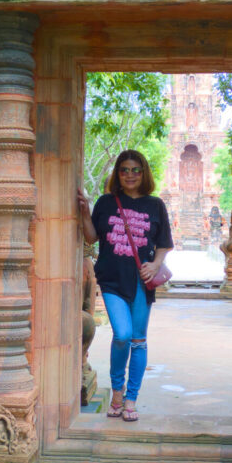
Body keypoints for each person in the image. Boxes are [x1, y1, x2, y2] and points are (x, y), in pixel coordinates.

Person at [77, 150, 173, 422]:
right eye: (124, 170)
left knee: (138, 341)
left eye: (136, 170)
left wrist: (155, 265)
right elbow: (92, 236)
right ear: (117, 174)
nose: (130, 175)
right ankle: (116, 391)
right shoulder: (107, 202)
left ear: (144, 174)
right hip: (111, 279)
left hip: (142, 282)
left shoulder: (155, 205)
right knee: (122, 334)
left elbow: (164, 244)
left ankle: (130, 399)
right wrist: (85, 212)